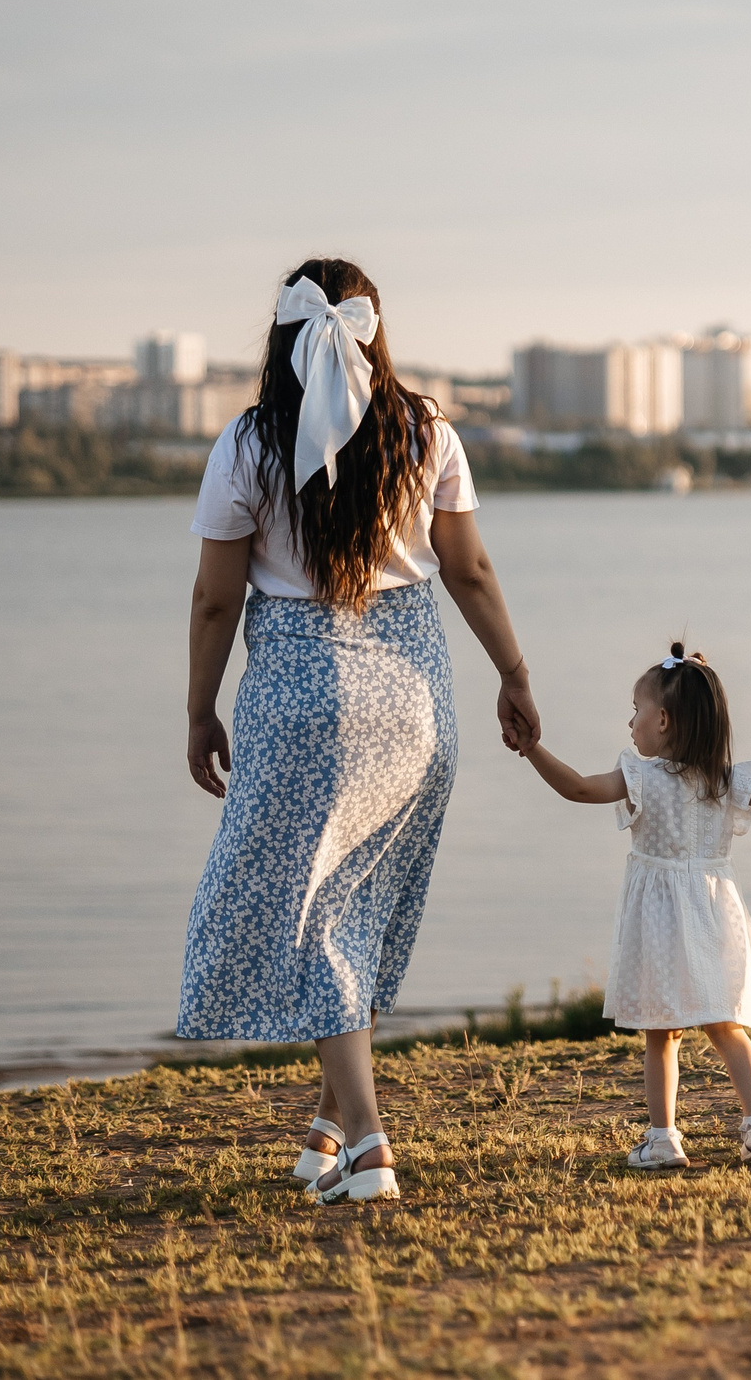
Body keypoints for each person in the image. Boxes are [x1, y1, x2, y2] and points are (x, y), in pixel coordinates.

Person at [178, 259, 541, 1206]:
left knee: (322, 921)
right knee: (359, 911)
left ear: (283, 340)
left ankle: (372, 1146)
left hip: (300, 704)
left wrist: (199, 709)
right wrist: (513, 672)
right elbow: (470, 572)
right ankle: (328, 1130)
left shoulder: (249, 443)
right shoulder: (428, 433)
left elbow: (216, 600)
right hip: (416, 705)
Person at [521, 644, 751, 1166]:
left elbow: (579, 789)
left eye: (636, 710)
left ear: (663, 720)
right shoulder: (723, 780)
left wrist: (532, 748)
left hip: (658, 922)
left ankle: (663, 1139)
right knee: (725, 1024)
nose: (630, 721)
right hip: (715, 916)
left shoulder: (641, 777)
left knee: (661, 1033)